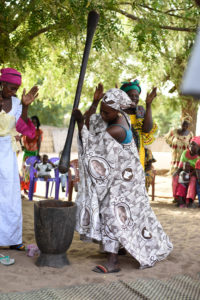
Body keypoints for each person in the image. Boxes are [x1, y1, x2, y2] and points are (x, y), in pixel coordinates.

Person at [73, 84, 173, 273]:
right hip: (122, 181)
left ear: (117, 110)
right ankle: (118, 250)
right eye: (102, 111)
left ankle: (113, 261)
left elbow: (92, 146)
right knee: (123, 216)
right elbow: (92, 124)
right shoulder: (116, 117)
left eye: (106, 113)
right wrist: (94, 103)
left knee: (113, 215)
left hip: (125, 184)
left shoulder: (117, 129)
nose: (103, 116)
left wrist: (79, 123)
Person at [0, 67, 38, 250]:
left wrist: (26, 106)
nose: (13, 91)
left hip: (7, 152)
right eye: (10, 87)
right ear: (2, 83)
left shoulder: (16, 103)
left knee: (10, 196)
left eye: (16, 89)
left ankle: (13, 240)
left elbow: (23, 127)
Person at [120, 80, 158, 169]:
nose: (134, 98)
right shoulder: (118, 112)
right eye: (130, 95)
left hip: (138, 160)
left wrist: (148, 104)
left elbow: (146, 129)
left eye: (136, 96)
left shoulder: (140, 111)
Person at [173, 137, 200, 207]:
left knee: (193, 180)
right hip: (185, 171)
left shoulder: (199, 157)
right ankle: (179, 198)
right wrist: (178, 172)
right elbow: (180, 167)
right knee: (178, 176)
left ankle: (189, 200)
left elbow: (198, 169)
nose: (191, 146)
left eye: (194, 145)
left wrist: (191, 173)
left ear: (198, 146)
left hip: (196, 174)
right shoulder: (185, 153)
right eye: (190, 144)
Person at [20, 115, 43, 193]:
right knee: (25, 172)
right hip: (26, 154)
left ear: (37, 123)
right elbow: (19, 137)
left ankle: (31, 189)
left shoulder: (39, 132)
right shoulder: (26, 130)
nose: (33, 124)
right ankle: (25, 189)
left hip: (34, 154)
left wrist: (38, 153)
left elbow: (39, 143)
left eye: (35, 122)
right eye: (32, 122)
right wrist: (21, 146)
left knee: (32, 172)